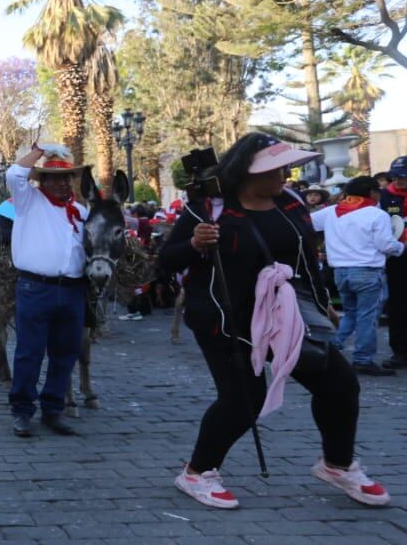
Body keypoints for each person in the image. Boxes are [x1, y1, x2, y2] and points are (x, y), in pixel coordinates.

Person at [161, 133, 390, 509]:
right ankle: (197, 472)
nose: (286, 174)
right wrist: (195, 245)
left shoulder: (292, 202)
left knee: (339, 384)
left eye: (286, 167)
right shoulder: (208, 208)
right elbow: (166, 261)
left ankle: (337, 464)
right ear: (249, 173)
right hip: (224, 319)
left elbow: (305, 259)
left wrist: (321, 304)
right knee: (243, 400)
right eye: (277, 169)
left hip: (285, 314)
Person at [5, 143, 89, 438]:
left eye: (67, 178)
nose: (62, 183)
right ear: (41, 180)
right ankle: (22, 411)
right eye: (54, 178)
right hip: (35, 287)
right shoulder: (28, 200)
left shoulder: (80, 211)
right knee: (30, 351)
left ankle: (53, 409)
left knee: (66, 352)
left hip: (72, 290)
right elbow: (15, 174)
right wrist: (38, 150)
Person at [311, 176, 405, 376]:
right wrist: (401, 246)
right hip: (367, 271)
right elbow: (386, 245)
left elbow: (306, 222)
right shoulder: (376, 214)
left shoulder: (332, 211)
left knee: (352, 312)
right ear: (372, 193)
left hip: (340, 272)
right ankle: (363, 359)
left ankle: (332, 347)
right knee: (367, 317)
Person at [381, 156, 407, 369]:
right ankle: (400, 351)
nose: (399, 181)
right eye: (395, 177)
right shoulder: (385, 196)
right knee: (398, 304)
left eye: (403, 177)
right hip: (397, 257)